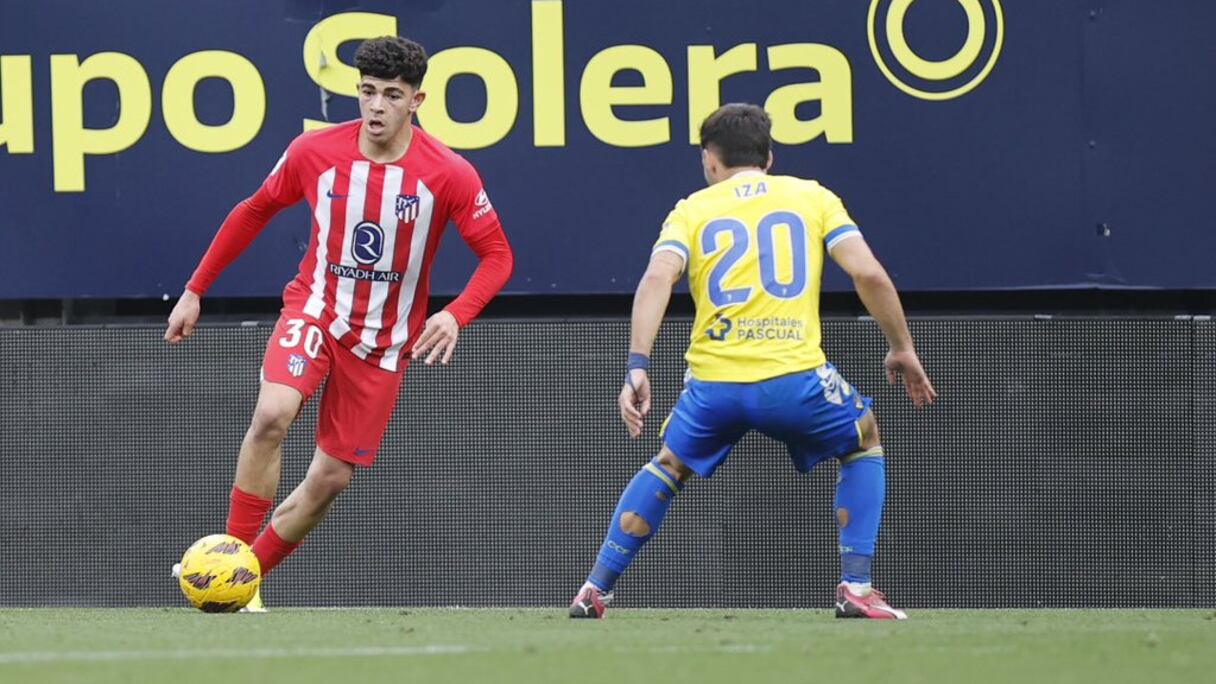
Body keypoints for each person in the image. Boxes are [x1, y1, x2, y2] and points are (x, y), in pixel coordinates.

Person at [164, 36, 513, 610]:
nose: (376, 106)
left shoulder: (448, 173)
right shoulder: (313, 151)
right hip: (316, 310)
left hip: (382, 343)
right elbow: (254, 209)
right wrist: (195, 289)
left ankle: (244, 580)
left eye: (391, 95)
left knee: (330, 480)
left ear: (416, 100)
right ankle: (227, 567)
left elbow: (498, 257)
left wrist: (455, 314)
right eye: (368, 92)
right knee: (273, 413)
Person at [569, 103, 935, 620]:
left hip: (712, 385)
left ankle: (594, 589)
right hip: (794, 379)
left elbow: (656, 279)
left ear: (709, 161)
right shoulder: (812, 197)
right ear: (770, 156)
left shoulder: (691, 208)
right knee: (864, 440)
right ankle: (855, 586)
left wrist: (637, 364)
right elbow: (869, 274)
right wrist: (902, 346)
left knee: (669, 465)